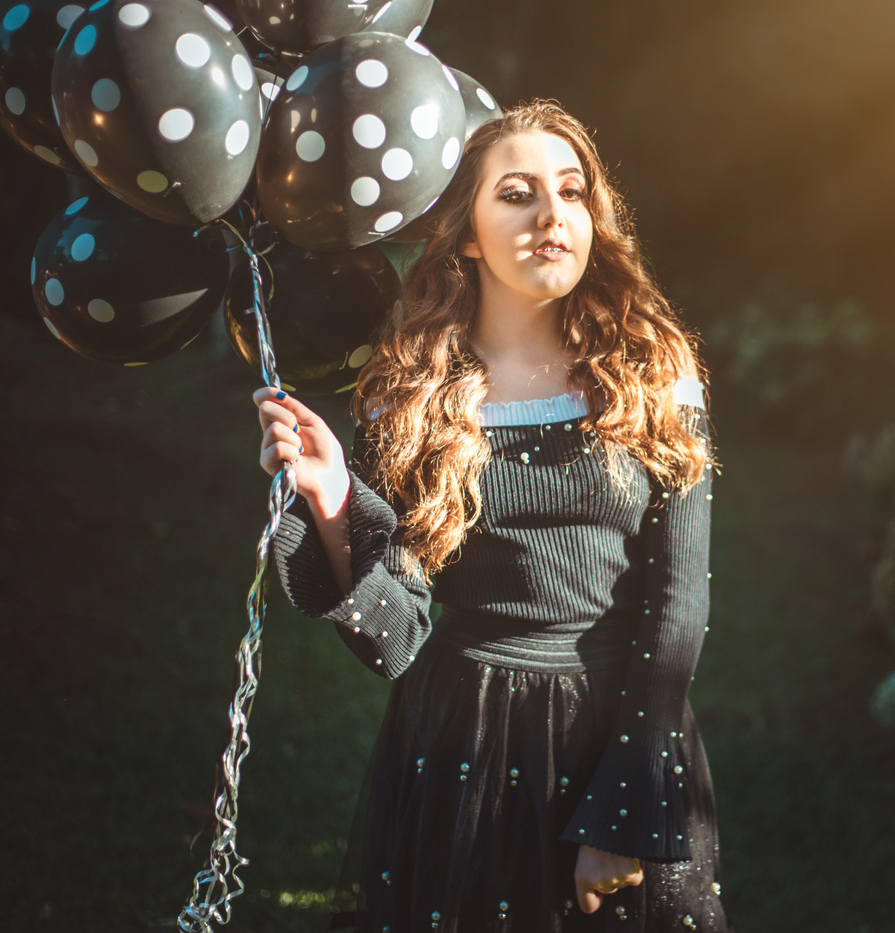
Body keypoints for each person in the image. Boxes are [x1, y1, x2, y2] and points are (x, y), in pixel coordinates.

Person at [253, 100, 732, 932]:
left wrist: (624, 808)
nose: (552, 214)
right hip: (461, 736)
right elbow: (396, 637)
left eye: (572, 191)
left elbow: (679, 604)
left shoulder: (652, 371)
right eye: (517, 194)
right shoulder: (411, 396)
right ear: (467, 234)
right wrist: (332, 499)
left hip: (621, 728)